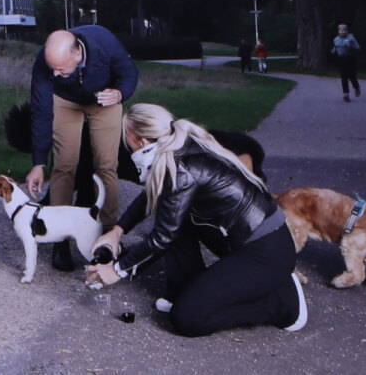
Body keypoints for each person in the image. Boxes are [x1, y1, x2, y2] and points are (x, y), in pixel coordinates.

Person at [86, 103, 306, 337]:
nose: (126, 142)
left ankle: (282, 303)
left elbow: (162, 238)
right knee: (169, 214)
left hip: (266, 253)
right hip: (248, 238)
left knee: (187, 319)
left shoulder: (181, 170)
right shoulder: (177, 146)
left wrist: (118, 270)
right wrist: (117, 231)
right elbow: (156, 194)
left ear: (139, 141)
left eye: (126, 136)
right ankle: (187, 290)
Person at [25, 26, 138, 271]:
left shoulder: (105, 43)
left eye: (60, 68)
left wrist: (119, 93)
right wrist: (38, 162)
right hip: (65, 101)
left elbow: (129, 74)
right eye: (51, 68)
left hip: (105, 98)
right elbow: (41, 111)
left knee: (107, 165)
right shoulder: (47, 61)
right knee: (64, 166)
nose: (54, 73)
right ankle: (61, 240)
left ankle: (109, 236)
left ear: (77, 55)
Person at [331, 24, 362, 102]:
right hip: (341, 59)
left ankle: (356, 87)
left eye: (345, 30)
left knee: (352, 76)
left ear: (347, 31)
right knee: (344, 77)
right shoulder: (336, 39)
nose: (343, 32)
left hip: (350, 58)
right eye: (341, 30)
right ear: (338, 31)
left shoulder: (351, 39)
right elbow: (335, 47)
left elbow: (358, 48)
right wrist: (334, 50)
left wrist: (351, 46)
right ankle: (346, 94)